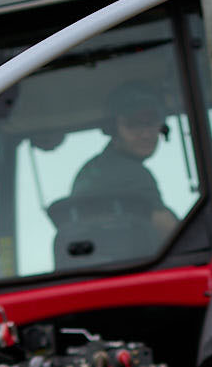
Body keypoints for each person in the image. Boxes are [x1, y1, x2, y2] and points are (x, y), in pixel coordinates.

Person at [68, 83, 179, 245]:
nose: (146, 134)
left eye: (151, 122)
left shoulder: (92, 169)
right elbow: (171, 233)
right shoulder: (131, 173)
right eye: (133, 124)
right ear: (113, 129)